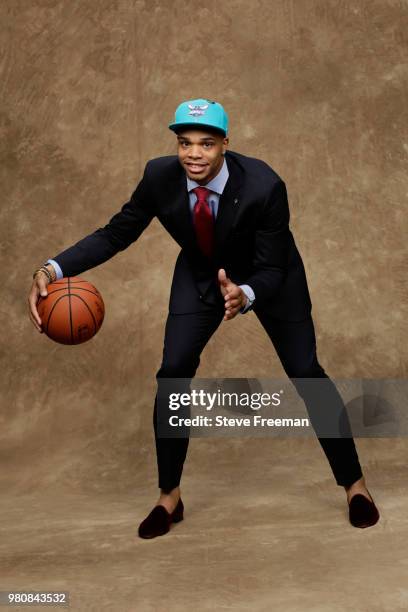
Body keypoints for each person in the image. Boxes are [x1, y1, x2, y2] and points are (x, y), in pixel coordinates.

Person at [28, 98, 380, 538]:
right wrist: (53, 269)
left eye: (206, 144)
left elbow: (272, 267)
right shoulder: (159, 176)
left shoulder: (265, 185)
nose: (193, 153)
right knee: (172, 373)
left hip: (270, 277)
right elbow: (116, 233)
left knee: (306, 371)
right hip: (201, 275)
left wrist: (245, 294)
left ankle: (355, 485)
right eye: (185, 143)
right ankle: (168, 497)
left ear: (225, 145)